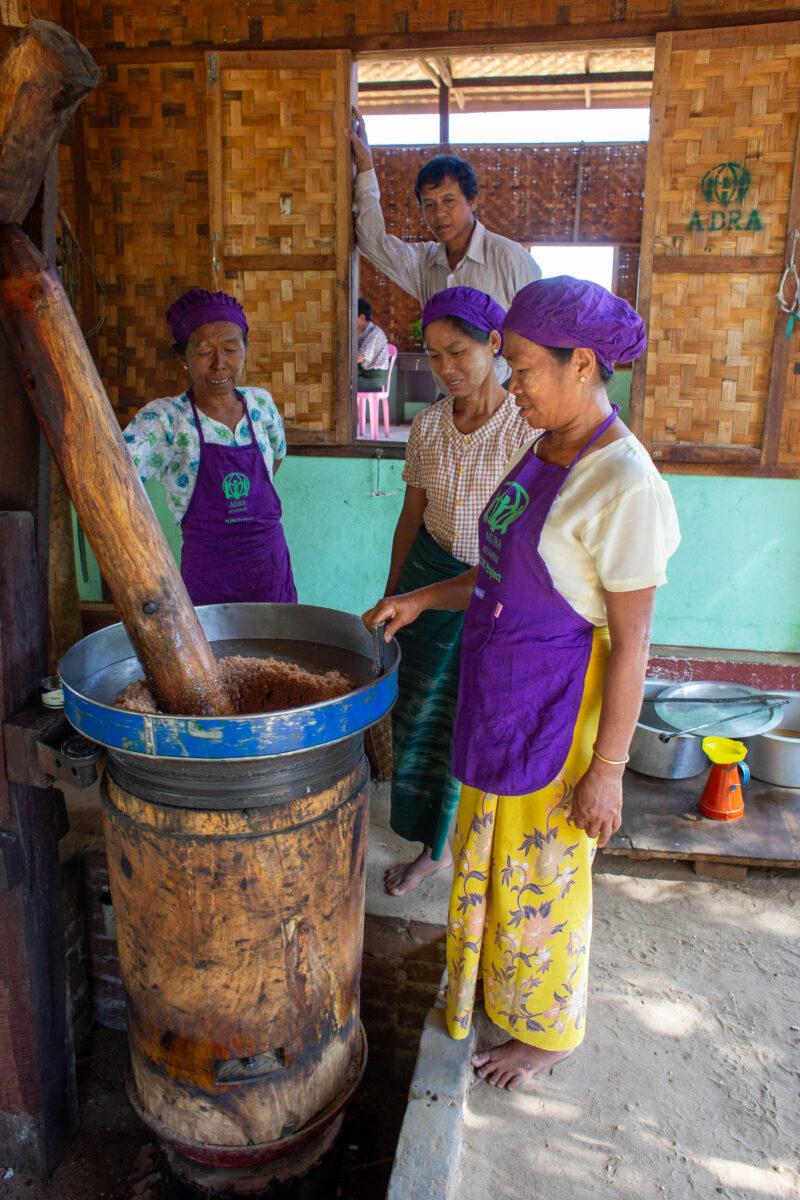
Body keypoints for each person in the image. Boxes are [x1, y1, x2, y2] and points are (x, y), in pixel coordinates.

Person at [363, 277, 680, 1089]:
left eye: (525, 369)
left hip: (558, 711)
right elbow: (500, 572)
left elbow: (635, 645)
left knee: (546, 881)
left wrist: (608, 772)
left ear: (583, 365)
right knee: (495, 861)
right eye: (507, 366)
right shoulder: (543, 445)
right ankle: (490, 991)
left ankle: (549, 1034)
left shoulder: (626, 483)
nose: (511, 386)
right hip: (500, 692)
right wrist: (419, 596)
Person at [382, 286, 535, 897]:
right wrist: (394, 589)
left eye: (459, 351)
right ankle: (432, 845)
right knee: (417, 717)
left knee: (464, 720)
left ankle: (451, 844)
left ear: (494, 345)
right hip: (424, 582)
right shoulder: (427, 427)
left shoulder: (524, 432)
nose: (446, 368)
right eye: (434, 356)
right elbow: (410, 514)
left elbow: (523, 543)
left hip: (486, 592)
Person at [123, 288, 297, 606]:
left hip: (268, 565)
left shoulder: (261, 403)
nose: (219, 364)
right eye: (204, 352)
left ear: (245, 349)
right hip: (208, 570)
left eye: (231, 349)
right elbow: (115, 477)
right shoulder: (164, 419)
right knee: (210, 652)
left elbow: (277, 457)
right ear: (183, 358)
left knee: (275, 650)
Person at [345, 108, 540, 384]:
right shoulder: (424, 264)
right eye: (429, 205)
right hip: (448, 406)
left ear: (472, 201)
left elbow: (536, 337)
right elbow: (372, 242)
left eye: (449, 201)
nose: (439, 214)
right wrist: (365, 168)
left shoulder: (509, 258)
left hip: (503, 407)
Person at [357, 296, 390, 392]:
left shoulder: (374, 333)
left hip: (374, 379)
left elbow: (360, 357)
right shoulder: (364, 333)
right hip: (367, 375)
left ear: (362, 317)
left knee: (345, 383)